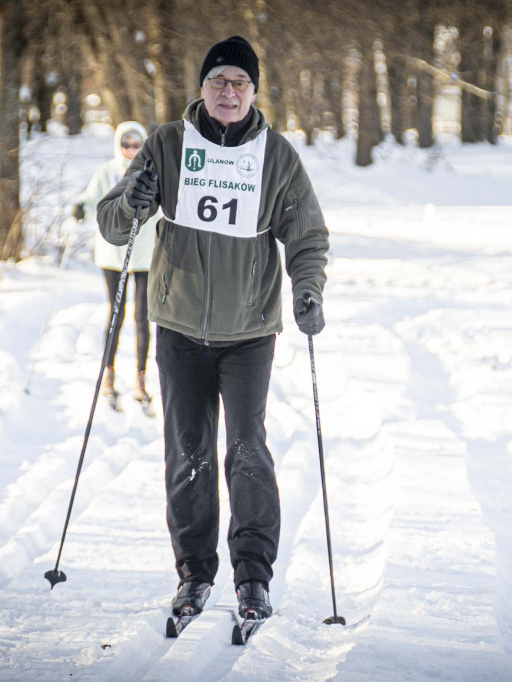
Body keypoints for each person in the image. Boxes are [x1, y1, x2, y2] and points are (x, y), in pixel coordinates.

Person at [96, 36, 329, 622]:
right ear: (202, 89)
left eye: (240, 84)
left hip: (249, 331)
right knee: (189, 454)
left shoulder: (276, 156)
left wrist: (307, 290)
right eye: (219, 82)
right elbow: (114, 225)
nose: (229, 93)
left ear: (254, 93)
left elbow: (307, 236)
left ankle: (253, 576)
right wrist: (133, 200)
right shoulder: (168, 143)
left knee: (246, 450)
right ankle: (194, 574)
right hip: (178, 327)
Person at [73, 121, 159, 409]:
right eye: (126, 144)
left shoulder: (153, 170)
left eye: (137, 145)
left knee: (143, 317)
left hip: (146, 254)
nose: (131, 150)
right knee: (116, 312)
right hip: (113, 255)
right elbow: (92, 201)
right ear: (118, 145)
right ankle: (108, 373)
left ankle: (141, 376)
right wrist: (80, 208)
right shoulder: (107, 171)